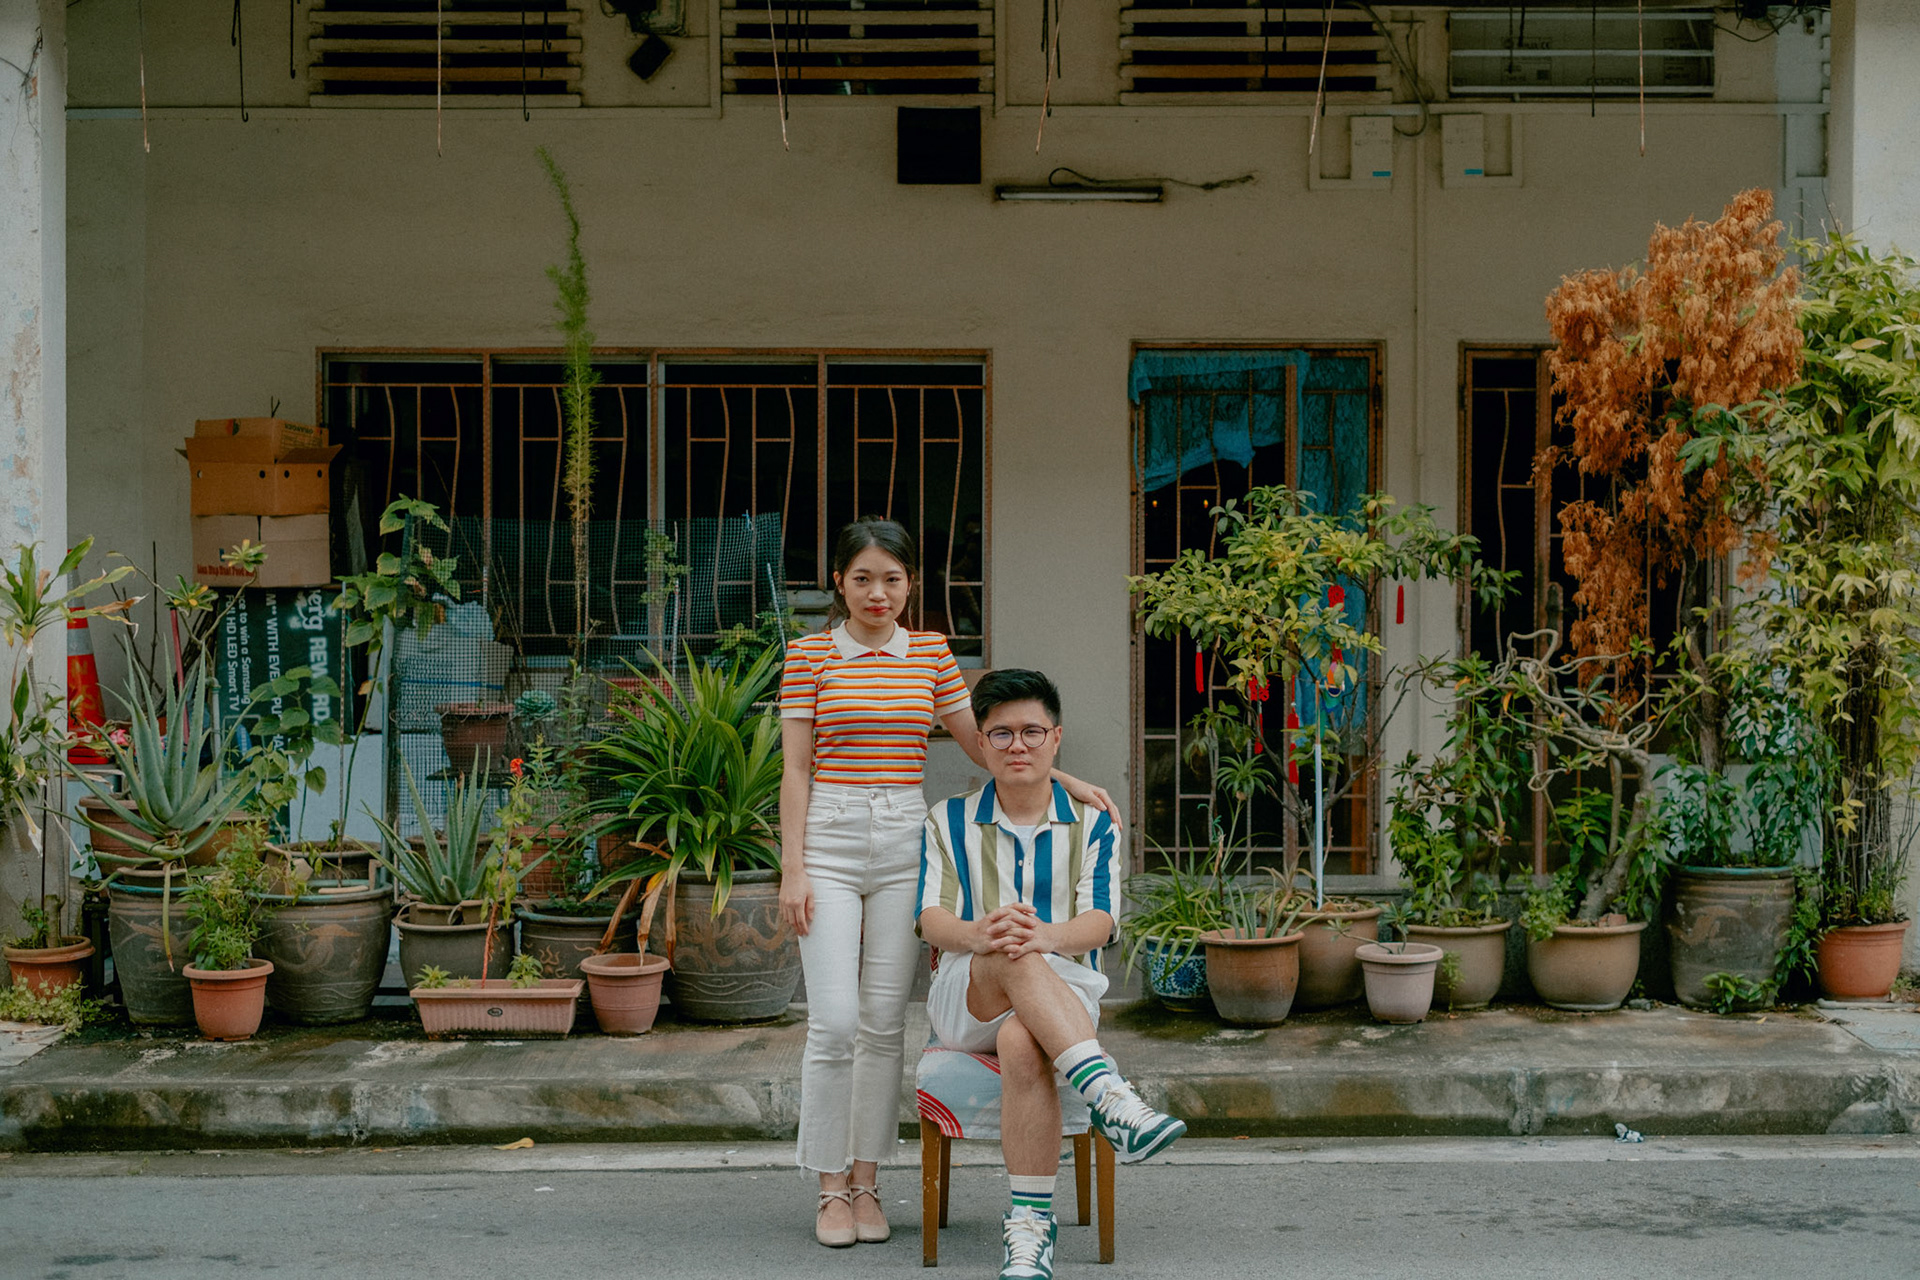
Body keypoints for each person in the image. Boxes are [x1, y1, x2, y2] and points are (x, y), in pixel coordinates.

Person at [778, 520, 1113, 1249]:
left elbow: (985, 743)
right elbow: (796, 768)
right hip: (829, 838)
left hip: (905, 837)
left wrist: (1065, 779)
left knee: (880, 1021)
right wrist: (793, 868)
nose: (878, 593)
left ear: (910, 584)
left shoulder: (930, 654)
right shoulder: (808, 656)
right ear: (839, 582)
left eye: (892, 579)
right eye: (862, 578)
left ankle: (866, 1182)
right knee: (833, 1022)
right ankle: (829, 1187)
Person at [916, 668, 1186, 1280]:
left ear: (1056, 738)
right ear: (980, 742)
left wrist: (1047, 938)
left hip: (1065, 995)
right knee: (1010, 951)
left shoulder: (1093, 822)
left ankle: (1031, 1227)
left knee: (1023, 1036)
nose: (1018, 745)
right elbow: (931, 918)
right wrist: (981, 934)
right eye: (1002, 733)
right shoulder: (947, 820)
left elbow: (1101, 920)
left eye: (1032, 732)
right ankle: (1110, 1096)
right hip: (969, 996)